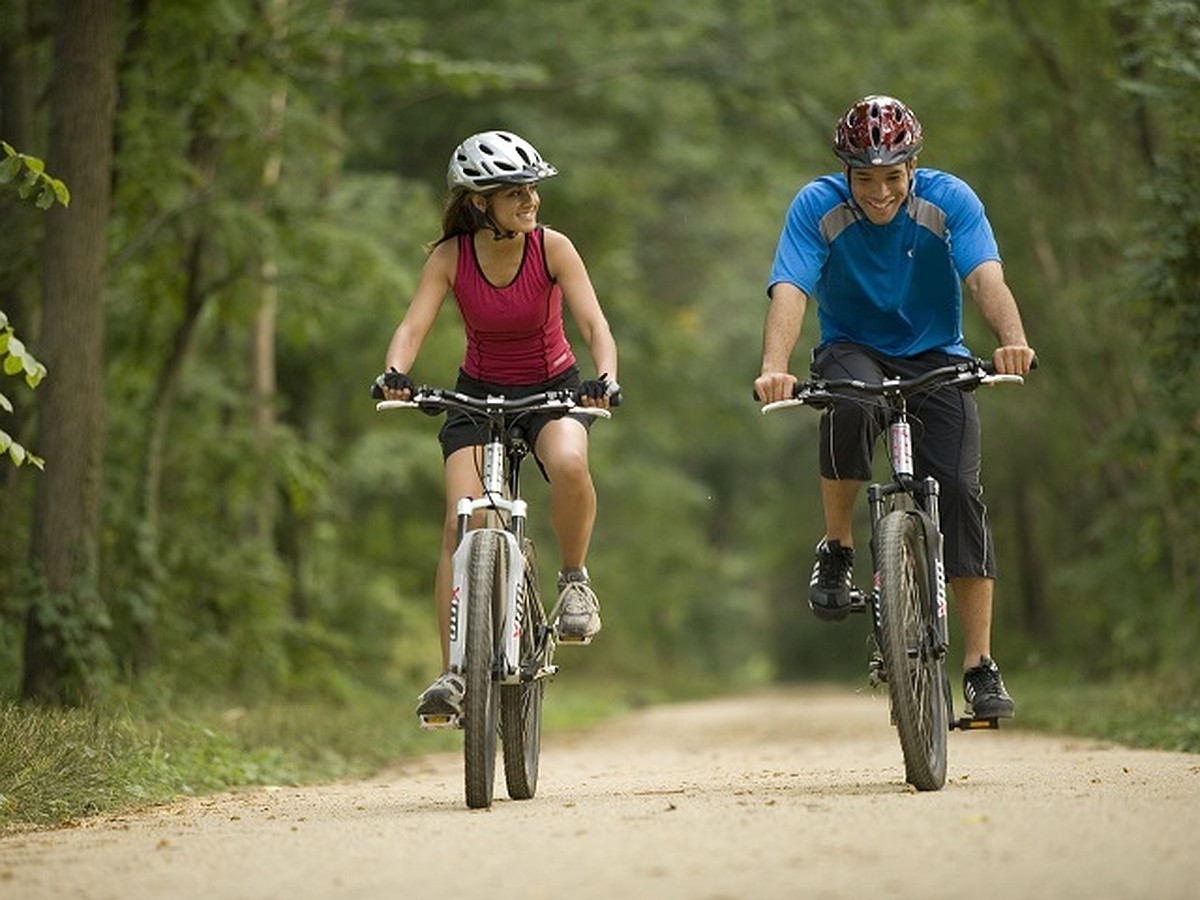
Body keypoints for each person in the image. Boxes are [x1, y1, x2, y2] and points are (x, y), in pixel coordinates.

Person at [753, 95, 1035, 720]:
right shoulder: (816, 206)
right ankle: (838, 548)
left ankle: (980, 666)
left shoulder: (950, 200)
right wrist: (776, 367)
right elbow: (790, 290)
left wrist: (1011, 340)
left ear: (913, 167)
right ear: (845, 172)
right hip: (853, 347)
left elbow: (986, 276)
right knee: (847, 405)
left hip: (938, 352)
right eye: (865, 178)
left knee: (960, 492)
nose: (879, 192)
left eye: (892, 176)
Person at [375, 130, 620, 721]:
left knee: (568, 463)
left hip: (552, 387)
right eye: (514, 192)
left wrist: (605, 377)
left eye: (532, 187)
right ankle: (454, 676)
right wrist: (394, 372)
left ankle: (573, 579)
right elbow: (412, 328)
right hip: (476, 394)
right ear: (481, 202)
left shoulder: (553, 248)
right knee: (464, 521)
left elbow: (595, 327)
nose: (530, 200)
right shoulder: (451, 257)